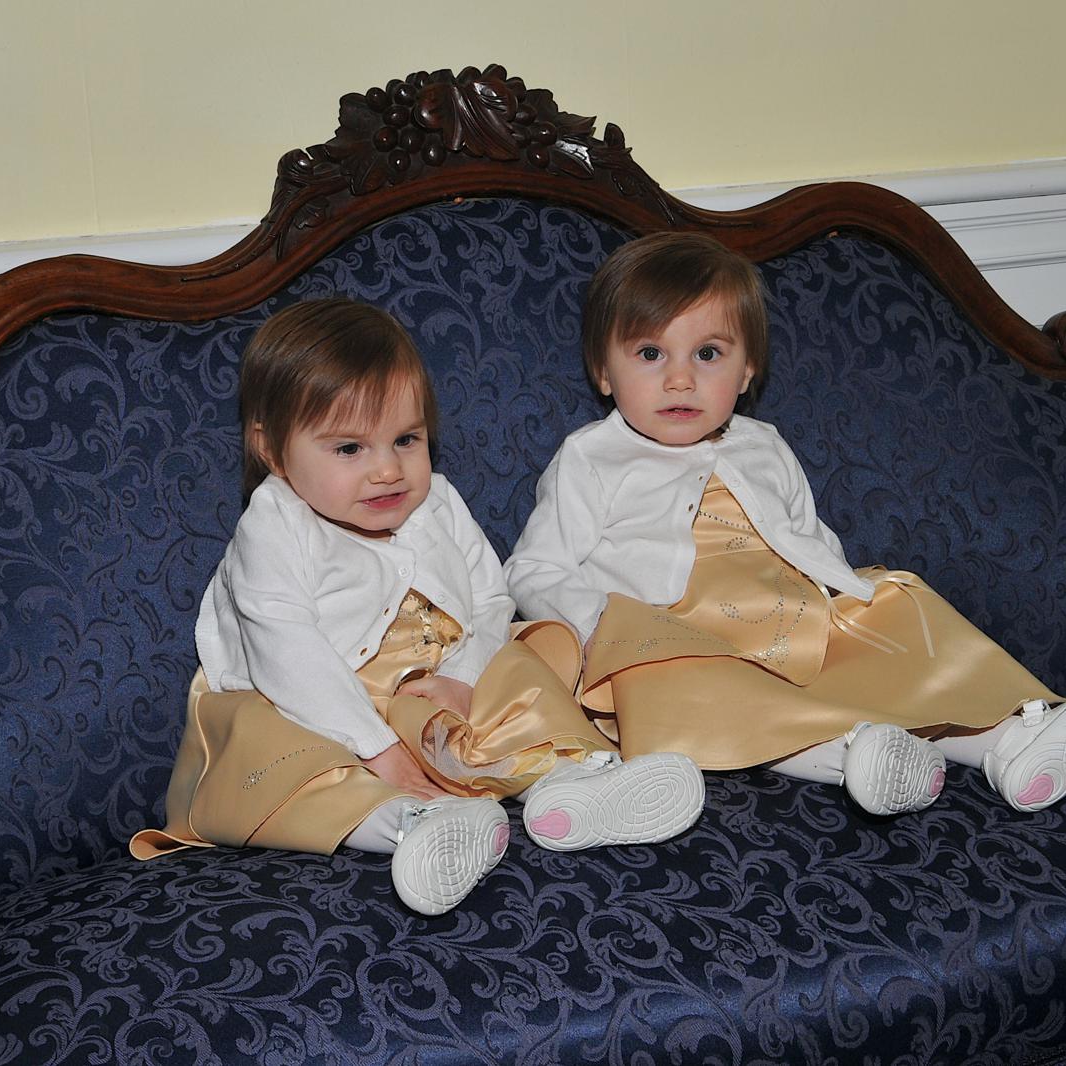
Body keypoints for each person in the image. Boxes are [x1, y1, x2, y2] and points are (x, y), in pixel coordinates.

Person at [504, 232, 1066, 819]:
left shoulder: (763, 444)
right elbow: (534, 569)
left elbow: (808, 536)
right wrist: (599, 623)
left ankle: (1014, 744)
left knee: (899, 605)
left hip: (789, 617)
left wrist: (850, 598)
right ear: (603, 371)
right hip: (676, 632)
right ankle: (856, 754)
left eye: (708, 353)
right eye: (650, 353)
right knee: (698, 686)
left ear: (747, 371)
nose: (680, 378)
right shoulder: (591, 458)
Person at [131, 298, 703, 915]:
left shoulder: (439, 504)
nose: (387, 470)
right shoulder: (275, 526)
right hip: (318, 704)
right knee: (281, 754)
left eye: (406, 439)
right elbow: (284, 649)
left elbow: (490, 600)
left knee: (528, 656)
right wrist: (376, 748)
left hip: (435, 688)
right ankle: (412, 824)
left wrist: (466, 679)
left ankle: (571, 787)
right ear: (271, 451)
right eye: (349, 449)